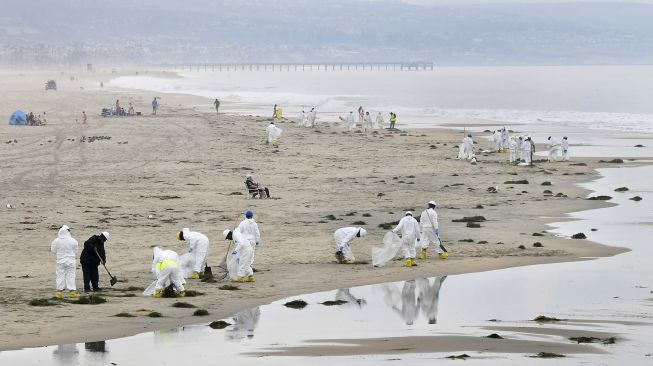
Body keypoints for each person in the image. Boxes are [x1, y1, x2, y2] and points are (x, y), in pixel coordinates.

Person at [51, 225, 79, 299]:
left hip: (60, 261)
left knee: (60, 276)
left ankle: (59, 293)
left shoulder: (56, 240)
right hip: (71, 261)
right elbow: (76, 251)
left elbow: (53, 250)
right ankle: (72, 292)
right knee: (71, 276)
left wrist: (60, 253)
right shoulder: (73, 240)